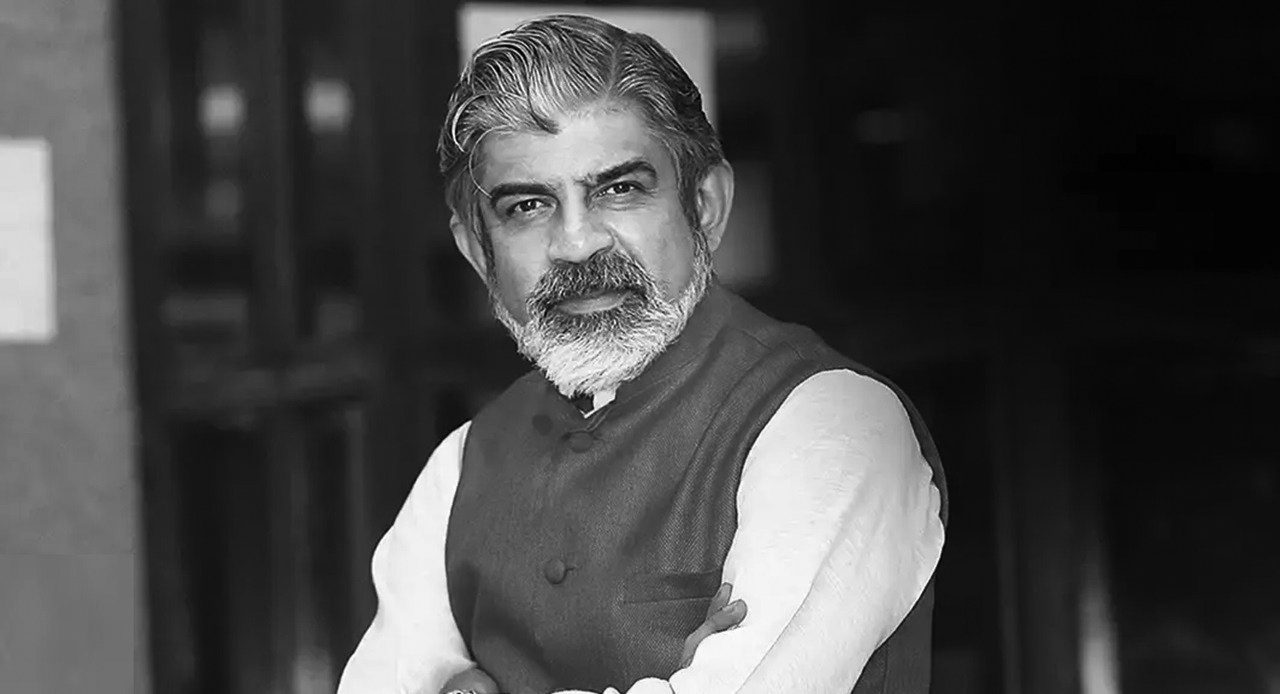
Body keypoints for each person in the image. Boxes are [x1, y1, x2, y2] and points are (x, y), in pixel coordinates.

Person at [338, 14, 947, 694]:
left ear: (705, 206)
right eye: (528, 205)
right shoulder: (457, 469)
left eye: (619, 189)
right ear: (478, 252)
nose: (577, 244)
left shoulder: (834, 421)